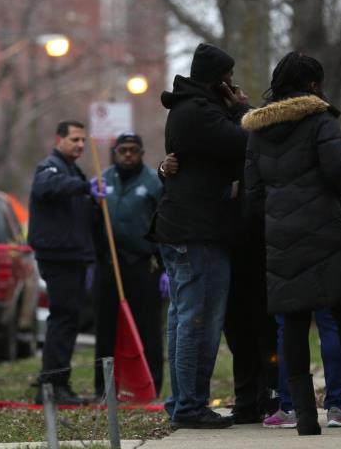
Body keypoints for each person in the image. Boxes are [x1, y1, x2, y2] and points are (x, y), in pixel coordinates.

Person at [242, 51, 341, 436]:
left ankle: (305, 416)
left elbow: (253, 193)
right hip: (327, 232)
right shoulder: (321, 119)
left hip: (282, 241)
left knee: (293, 324)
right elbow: (339, 170)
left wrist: (278, 219)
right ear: (312, 84)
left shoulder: (258, 131)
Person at [148, 42, 251, 429]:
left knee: (184, 317)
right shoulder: (199, 112)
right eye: (228, 78)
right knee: (199, 319)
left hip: (187, 228)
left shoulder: (190, 108)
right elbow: (245, 141)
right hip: (197, 232)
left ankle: (182, 401)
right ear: (216, 80)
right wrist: (241, 109)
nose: (233, 84)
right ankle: (191, 405)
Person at [264, 141, 341, 429]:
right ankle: (336, 405)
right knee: (333, 323)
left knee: (291, 327)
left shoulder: (276, 151)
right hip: (332, 247)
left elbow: (255, 197)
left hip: (289, 250)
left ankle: (292, 406)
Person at [28, 120, 97, 405]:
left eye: (83, 140)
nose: (80, 145)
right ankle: (52, 384)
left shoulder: (73, 170)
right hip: (58, 257)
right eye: (74, 139)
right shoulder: (51, 167)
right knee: (62, 318)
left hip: (74, 256)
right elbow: (45, 187)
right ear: (59, 140)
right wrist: (85, 187)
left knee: (69, 319)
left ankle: (58, 381)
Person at [91, 132, 165, 398]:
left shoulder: (153, 182)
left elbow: (163, 226)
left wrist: (165, 268)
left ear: (141, 153)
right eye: (123, 150)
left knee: (148, 329)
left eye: (133, 150)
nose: (128, 155)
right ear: (116, 152)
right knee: (106, 330)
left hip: (143, 266)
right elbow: (92, 223)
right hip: (109, 265)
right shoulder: (102, 181)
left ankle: (151, 386)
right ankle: (104, 388)